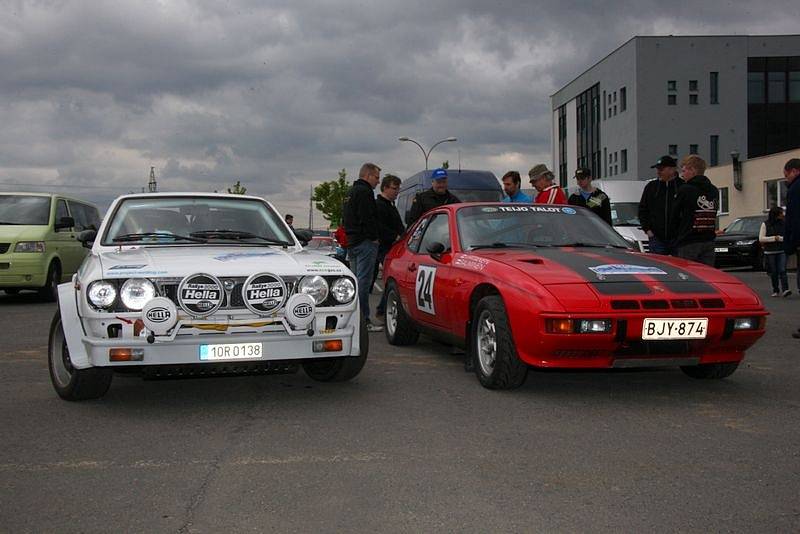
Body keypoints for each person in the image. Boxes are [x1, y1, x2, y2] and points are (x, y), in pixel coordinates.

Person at [342, 162, 383, 332]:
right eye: (376, 177)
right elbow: (367, 217)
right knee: (364, 283)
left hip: (352, 242)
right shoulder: (365, 192)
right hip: (365, 242)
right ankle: (364, 320)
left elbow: (346, 218)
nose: (378, 182)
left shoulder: (350, 193)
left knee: (355, 283)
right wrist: (374, 237)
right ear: (367, 175)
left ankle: (352, 318)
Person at [671, 155, 718, 266]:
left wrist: (675, 237)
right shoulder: (714, 190)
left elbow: (674, 215)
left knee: (688, 274)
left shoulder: (685, 190)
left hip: (688, 240)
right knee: (706, 274)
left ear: (692, 170)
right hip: (708, 239)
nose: (682, 175)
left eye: (684, 171)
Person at [373, 175, 405, 318]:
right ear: (385, 188)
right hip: (385, 248)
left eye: (398, 189)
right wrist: (395, 236)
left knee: (392, 281)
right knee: (391, 281)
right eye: (394, 188)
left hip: (394, 247)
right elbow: (379, 227)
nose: (397, 192)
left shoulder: (390, 205)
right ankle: (381, 311)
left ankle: (381, 310)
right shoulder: (379, 205)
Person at [638, 155, 683, 255]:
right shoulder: (651, 187)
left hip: (677, 239)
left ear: (672, 170)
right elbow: (643, 209)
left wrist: (682, 233)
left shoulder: (682, 186)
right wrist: (648, 230)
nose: (658, 172)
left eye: (661, 169)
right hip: (656, 238)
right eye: (658, 169)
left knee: (679, 267)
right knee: (659, 266)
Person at [782, 158, 800, 339]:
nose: (786, 179)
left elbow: (794, 219)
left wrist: (790, 244)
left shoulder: (795, 189)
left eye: (786, 174)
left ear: (794, 171)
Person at [759, 206, 790, 297]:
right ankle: (775, 289)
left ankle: (785, 289)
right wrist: (774, 238)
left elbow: (787, 237)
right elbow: (761, 238)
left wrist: (779, 238)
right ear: (776, 214)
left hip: (781, 250)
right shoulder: (765, 224)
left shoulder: (784, 224)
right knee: (774, 271)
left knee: (782, 270)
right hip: (770, 251)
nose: (782, 215)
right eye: (781, 213)